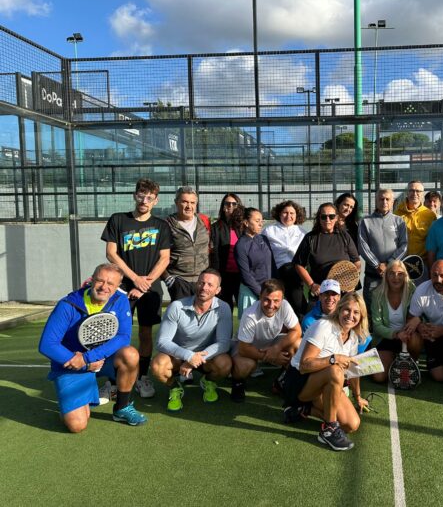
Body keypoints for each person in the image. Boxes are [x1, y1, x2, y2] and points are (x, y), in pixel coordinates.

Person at [38, 263, 147, 431]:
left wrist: (89, 358)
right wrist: (84, 363)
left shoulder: (120, 300)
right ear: (91, 280)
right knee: (77, 425)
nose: (104, 287)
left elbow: (123, 337)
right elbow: (47, 344)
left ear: (118, 286)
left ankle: (122, 408)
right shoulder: (67, 304)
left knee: (130, 354)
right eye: (100, 281)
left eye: (111, 284)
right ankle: (73, 406)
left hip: (99, 360)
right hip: (72, 365)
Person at [101, 177, 171, 399]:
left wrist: (145, 283)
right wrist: (133, 279)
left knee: (145, 333)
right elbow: (111, 253)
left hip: (150, 289)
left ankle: (141, 378)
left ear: (156, 201)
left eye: (149, 197)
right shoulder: (118, 220)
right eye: (141, 196)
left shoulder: (161, 225)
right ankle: (113, 381)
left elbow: (165, 259)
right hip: (121, 288)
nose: (144, 201)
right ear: (135, 196)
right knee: (117, 332)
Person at [283, 292, 370, 451]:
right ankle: (328, 430)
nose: (350, 315)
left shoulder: (353, 336)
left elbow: (353, 368)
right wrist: (333, 358)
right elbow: (304, 365)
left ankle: (304, 409)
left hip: (325, 383)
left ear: (362, 316)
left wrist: (358, 397)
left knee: (351, 424)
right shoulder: (324, 326)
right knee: (335, 371)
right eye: (347, 310)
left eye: (356, 312)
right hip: (299, 382)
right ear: (339, 309)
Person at [151, 269, 233, 412]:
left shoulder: (223, 307)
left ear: (218, 290)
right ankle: (175, 387)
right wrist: (188, 356)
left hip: (207, 357)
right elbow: (162, 341)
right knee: (158, 365)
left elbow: (224, 343)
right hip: (178, 356)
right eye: (201, 282)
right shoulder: (176, 306)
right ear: (196, 284)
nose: (204, 287)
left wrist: (195, 359)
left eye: (210, 284)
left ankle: (208, 381)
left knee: (225, 363)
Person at [232, 279, 302, 402]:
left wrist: (276, 348)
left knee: (298, 343)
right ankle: (238, 383)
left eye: (276, 301)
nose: (271, 305)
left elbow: (297, 331)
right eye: (266, 299)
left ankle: (282, 380)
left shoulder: (285, 305)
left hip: (271, 343)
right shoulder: (250, 315)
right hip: (246, 347)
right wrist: (272, 356)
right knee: (246, 365)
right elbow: (243, 349)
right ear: (260, 297)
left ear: (282, 298)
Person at [293, 203, 361, 299]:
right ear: (319, 218)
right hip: (321, 294)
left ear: (336, 218)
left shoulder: (344, 236)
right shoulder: (310, 238)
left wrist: (352, 282)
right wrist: (312, 285)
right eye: (323, 217)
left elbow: (356, 262)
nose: (327, 220)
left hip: (344, 294)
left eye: (331, 216)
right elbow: (299, 265)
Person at [358, 189, 408, 313]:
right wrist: (376, 265)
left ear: (392, 202)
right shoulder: (365, 221)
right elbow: (363, 246)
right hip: (373, 275)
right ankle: (371, 332)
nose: (384, 202)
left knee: (393, 309)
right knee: (370, 310)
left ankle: (392, 332)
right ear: (376, 201)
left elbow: (404, 245)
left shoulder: (399, 221)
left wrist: (389, 263)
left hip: (394, 275)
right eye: (381, 199)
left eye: (387, 199)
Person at [370, 260, 420, 383]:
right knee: (379, 377)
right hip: (386, 338)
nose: (396, 277)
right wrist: (396, 334)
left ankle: (412, 362)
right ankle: (392, 359)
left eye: (400, 273)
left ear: (405, 275)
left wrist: (417, 320)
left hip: (407, 337)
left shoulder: (413, 290)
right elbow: (377, 326)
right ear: (386, 275)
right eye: (391, 273)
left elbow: (423, 313)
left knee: (414, 338)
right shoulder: (377, 294)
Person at [163, 186, 211, 301]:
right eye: (184, 202)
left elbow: (210, 248)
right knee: (182, 317)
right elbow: (158, 256)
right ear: (176, 202)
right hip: (180, 281)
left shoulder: (204, 220)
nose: (189, 206)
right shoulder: (166, 225)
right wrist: (168, 278)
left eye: (192, 202)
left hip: (202, 280)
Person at [263, 200, 307, 317]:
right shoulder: (269, 230)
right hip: (278, 273)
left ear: (297, 215)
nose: (289, 216)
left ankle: (300, 323)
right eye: (285, 212)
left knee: (296, 305)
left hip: (297, 274)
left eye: (292, 213)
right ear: (279, 214)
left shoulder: (302, 232)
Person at [233, 207, 277, 317]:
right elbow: (246, 276)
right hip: (251, 293)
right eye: (257, 221)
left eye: (262, 221)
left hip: (269, 291)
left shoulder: (264, 239)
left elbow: (272, 264)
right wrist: (261, 294)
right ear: (246, 223)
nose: (261, 224)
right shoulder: (241, 245)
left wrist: (276, 287)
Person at [210, 192, 243, 310]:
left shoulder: (243, 227)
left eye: (234, 204)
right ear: (223, 207)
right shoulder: (215, 227)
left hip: (241, 276)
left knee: (244, 308)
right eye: (227, 203)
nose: (230, 206)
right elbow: (213, 254)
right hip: (223, 275)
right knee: (224, 308)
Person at [394, 180, 437, 261]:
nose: (414, 194)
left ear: (422, 194)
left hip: (422, 262)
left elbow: (433, 242)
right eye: (411, 190)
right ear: (407, 193)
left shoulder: (430, 215)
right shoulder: (397, 214)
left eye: (418, 191)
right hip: (401, 262)